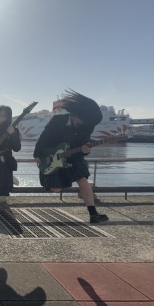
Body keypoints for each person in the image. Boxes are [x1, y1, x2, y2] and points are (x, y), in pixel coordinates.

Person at [33, 90, 109, 223]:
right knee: (56, 189)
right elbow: (44, 138)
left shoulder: (87, 125)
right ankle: (65, 182)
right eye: (82, 121)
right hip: (53, 156)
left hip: (73, 156)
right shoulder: (57, 120)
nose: (84, 124)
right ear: (75, 114)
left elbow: (84, 144)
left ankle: (93, 214)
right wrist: (37, 154)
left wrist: (85, 151)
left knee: (83, 181)